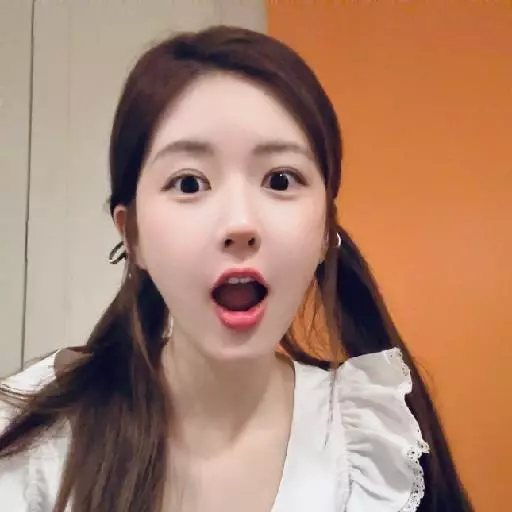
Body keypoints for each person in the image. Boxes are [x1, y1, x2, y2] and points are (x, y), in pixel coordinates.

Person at [0, 25, 473, 512]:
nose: (240, 223)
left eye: (280, 179)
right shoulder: (36, 432)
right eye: (189, 183)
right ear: (133, 233)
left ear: (323, 230)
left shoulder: (374, 448)